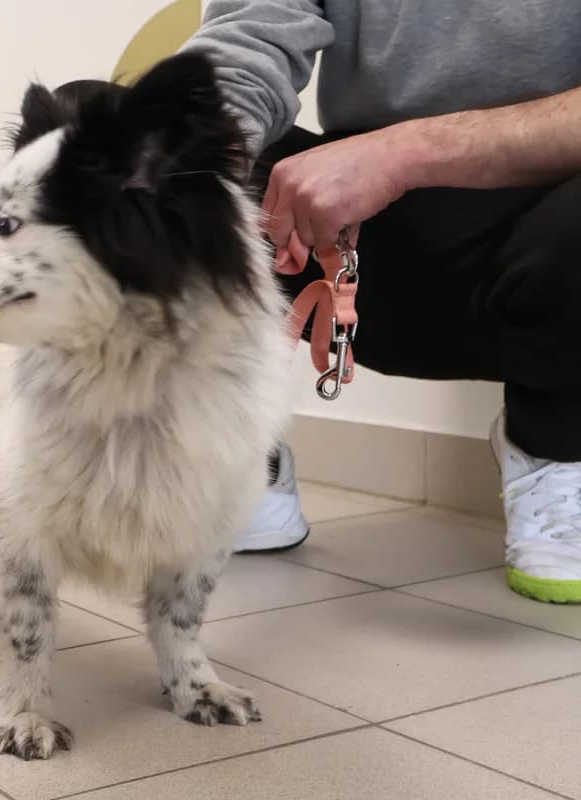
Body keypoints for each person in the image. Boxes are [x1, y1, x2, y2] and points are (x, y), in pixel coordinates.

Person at [178, 1, 581, 603]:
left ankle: (558, 441)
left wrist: (402, 154)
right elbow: (248, 38)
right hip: (353, 239)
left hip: (549, 239)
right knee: (112, 135)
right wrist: (191, 164)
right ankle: (239, 451)